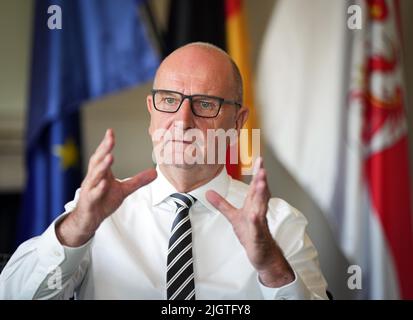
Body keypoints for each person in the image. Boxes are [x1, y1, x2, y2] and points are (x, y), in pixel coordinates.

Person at [0, 42, 328, 300]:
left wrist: (271, 265)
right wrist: (77, 230)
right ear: (151, 111)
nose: (182, 121)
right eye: (169, 100)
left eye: (204, 103)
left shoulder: (279, 224)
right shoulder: (95, 210)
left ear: (238, 122)